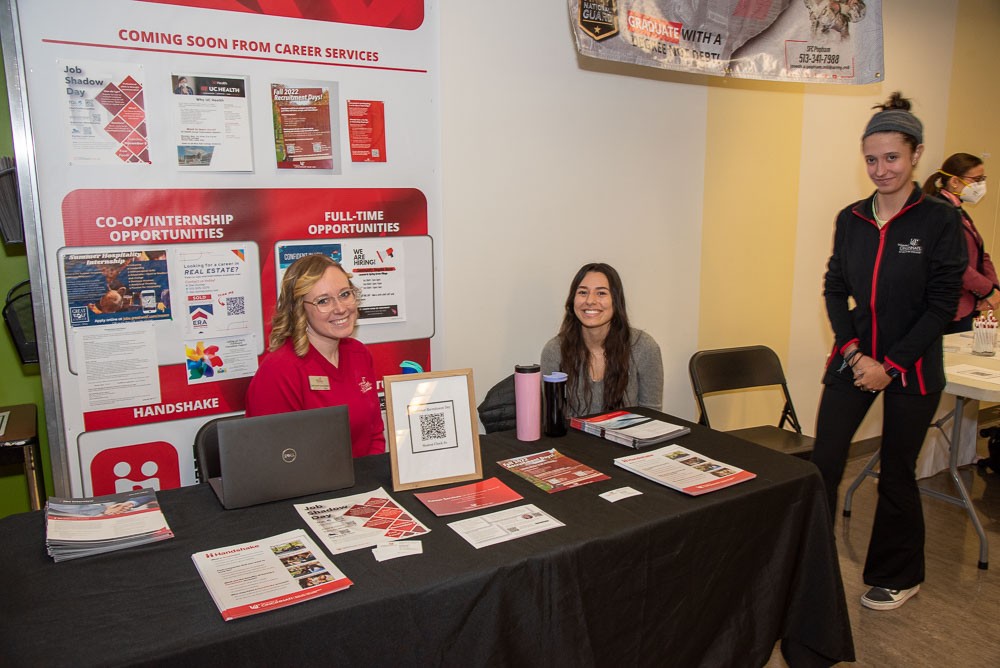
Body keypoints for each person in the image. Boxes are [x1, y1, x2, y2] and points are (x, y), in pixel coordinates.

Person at [811, 92, 967, 611]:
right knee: (825, 462)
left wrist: (892, 365)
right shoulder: (852, 217)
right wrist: (856, 356)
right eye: (872, 159)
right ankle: (810, 568)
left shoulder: (939, 220)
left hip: (913, 365)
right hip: (855, 358)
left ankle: (898, 574)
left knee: (898, 472)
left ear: (917, 154)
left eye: (892, 157)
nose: (881, 169)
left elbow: (942, 304)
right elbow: (835, 288)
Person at [245, 254, 385, 457]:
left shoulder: (359, 354)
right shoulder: (279, 370)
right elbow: (274, 459)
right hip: (309, 487)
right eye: (323, 301)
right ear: (299, 309)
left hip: (365, 482)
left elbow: (374, 434)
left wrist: (370, 479)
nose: (340, 308)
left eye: (345, 294)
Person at [541, 262, 663, 416]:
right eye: (583, 292)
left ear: (616, 301)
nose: (590, 301)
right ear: (573, 300)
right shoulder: (554, 350)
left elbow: (652, 415)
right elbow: (552, 417)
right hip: (573, 439)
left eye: (601, 293)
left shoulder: (644, 347)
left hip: (627, 438)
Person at [922, 152, 998, 332]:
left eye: (983, 179)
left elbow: (980, 254)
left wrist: (993, 288)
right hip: (943, 308)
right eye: (977, 179)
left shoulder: (958, 211)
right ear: (955, 182)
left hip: (964, 305)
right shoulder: (938, 212)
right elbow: (954, 264)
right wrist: (987, 291)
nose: (981, 185)